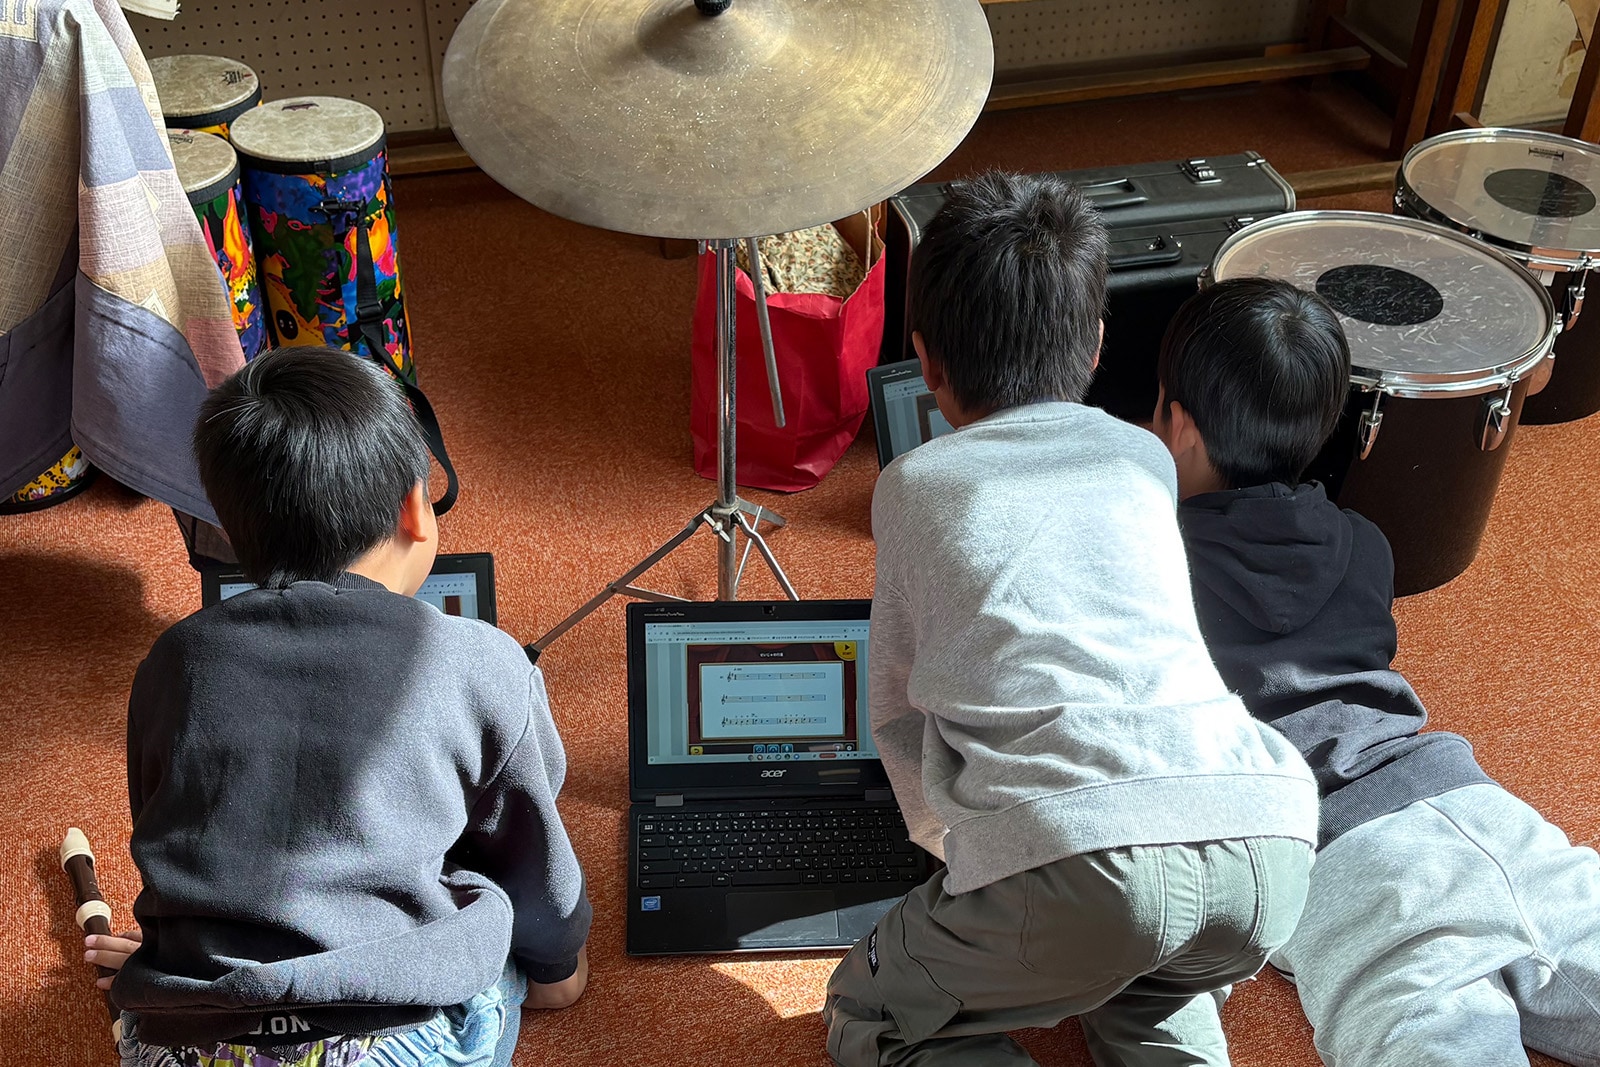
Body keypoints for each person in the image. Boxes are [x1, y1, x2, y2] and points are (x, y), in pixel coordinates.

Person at [823, 172, 1319, 1067]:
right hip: (1268, 846)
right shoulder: (1144, 456)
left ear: (927, 361)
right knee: (1149, 992)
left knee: (870, 1010)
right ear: (1095, 346)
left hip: (1082, 866)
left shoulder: (914, 485)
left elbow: (898, 710)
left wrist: (971, 860)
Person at [89, 346, 591, 1067]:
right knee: (485, 899)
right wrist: (557, 969)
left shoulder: (174, 660)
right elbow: (533, 863)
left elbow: (174, 827)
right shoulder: (483, 660)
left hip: (192, 1035)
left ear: (233, 530)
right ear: (415, 508)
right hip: (396, 1042)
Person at [1153, 276, 1600, 1067]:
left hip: (1348, 862)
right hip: (1476, 804)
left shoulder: (1146, 559)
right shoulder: (1366, 542)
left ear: (1179, 427)